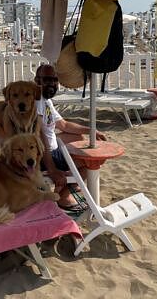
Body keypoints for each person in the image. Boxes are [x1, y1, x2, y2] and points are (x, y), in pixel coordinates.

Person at [34, 64, 107, 210]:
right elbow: (38, 136)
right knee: (93, 161)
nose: (52, 84)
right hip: (44, 155)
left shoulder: (46, 100)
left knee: (78, 137)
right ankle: (64, 195)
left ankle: (69, 178)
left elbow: (64, 125)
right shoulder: (37, 101)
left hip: (50, 147)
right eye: (47, 80)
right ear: (37, 80)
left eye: (55, 80)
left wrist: (92, 130)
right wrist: (53, 169)